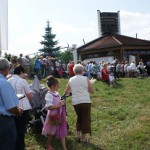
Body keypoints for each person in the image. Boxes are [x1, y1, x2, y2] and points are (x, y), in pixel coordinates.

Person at [65, 64, 94, 144]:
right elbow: (92, 91)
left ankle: (77, 135)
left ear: (74, 71)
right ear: (82, 71)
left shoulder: (71, 79)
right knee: (85, 119)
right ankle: (83, 138)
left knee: (79, 118)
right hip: (85, 101)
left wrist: (73, 90)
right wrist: (89, 85)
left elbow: (66, 91)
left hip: (76, 102)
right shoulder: (86, 78)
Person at [8, 64, 33, 150]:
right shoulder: (22, 81)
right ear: (21, 72)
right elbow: (30, 96)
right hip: (23, 107)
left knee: (14, 127)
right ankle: (20, 146)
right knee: (21, 128)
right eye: (24, 73)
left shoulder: (8, 80)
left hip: (11, 107)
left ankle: (14, 145)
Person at [0, 57, 22, 150]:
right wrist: (18, 111)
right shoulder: (4, 83)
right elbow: (11, 107)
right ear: (6, 69)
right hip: (4, 122)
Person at [42, 76, 68, 150]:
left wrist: (61, 102)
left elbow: (58, 101)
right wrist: (59, 105)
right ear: (53, 86)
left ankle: (61, 145)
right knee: (52, 131)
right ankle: (48, 144)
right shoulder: (49, 94)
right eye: (57, 85)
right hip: (53, 115)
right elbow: (49, 107)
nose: (58, 86)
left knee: (58, 128)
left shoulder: (56, 93)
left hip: (59, 114)